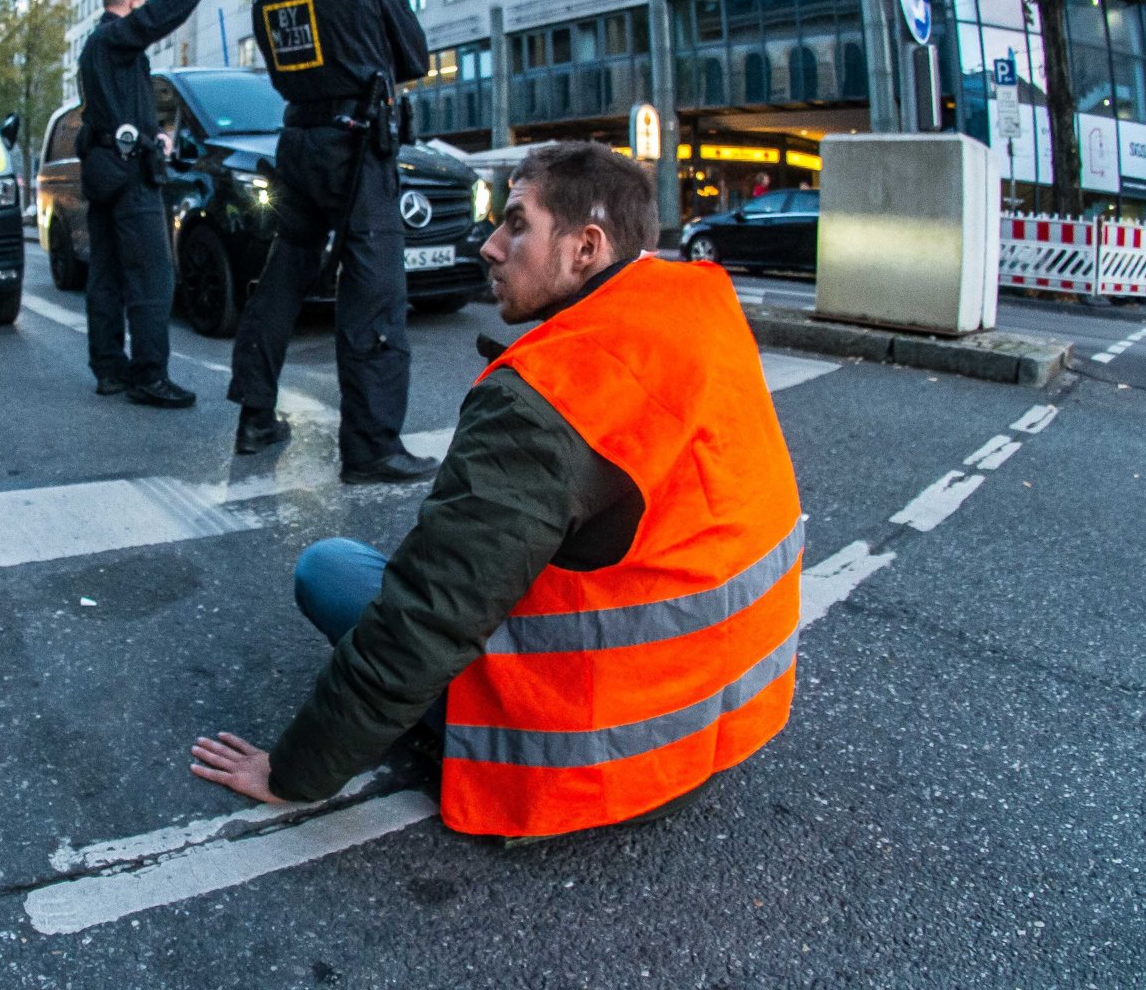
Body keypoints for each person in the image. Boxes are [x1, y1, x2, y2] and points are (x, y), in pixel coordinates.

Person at [191, 142, 806, 840]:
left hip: (602, 753)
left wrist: (291, 773)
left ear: (586, 248)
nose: (489, 246)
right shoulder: (698, 311)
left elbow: (428, 618)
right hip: (724, 718)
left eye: (516, 224)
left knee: (330, 569)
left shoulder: (551, 395)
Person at [225, 0, 435, 484]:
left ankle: (255, 416)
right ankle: (370, 448)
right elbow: (412, 57)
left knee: (285, 273)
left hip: (298, 141)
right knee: (374, 287)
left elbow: (276, 62)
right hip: (357, 144)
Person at [77, 0, 246, 408]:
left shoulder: (94, 50)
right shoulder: (116, 38)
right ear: (131, 4)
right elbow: (160, 16)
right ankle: (150, 377)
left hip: (105, 168)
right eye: (142, 7)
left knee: (107, 274)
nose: (145, 15)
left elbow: (110, 115)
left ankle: (109, 369)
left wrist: (154, 138)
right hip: (129, 176)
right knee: (152, 277)